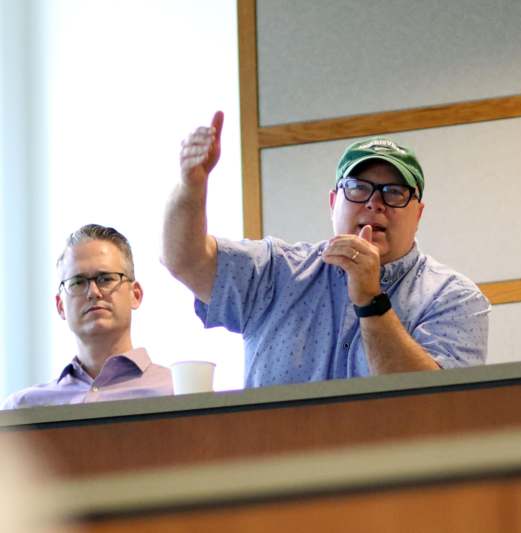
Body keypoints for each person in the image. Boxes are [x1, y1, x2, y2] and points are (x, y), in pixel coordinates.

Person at [163, 111, 490, 388]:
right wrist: (191, 187)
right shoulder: (277, 271)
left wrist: (371, 301)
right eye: (358, 188)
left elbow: (439, 405)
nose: (375, 204)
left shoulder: (454, 298)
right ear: (333, 203)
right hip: (279, 461)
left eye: (394, 192)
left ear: (418, 213)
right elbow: (185, 261)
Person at [2, 224, 173, 409]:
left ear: (136, 295)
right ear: (60, 306)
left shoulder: (179, 393)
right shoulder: (21, 410)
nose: (93, 292)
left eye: (106, 279)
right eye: (77, 282)